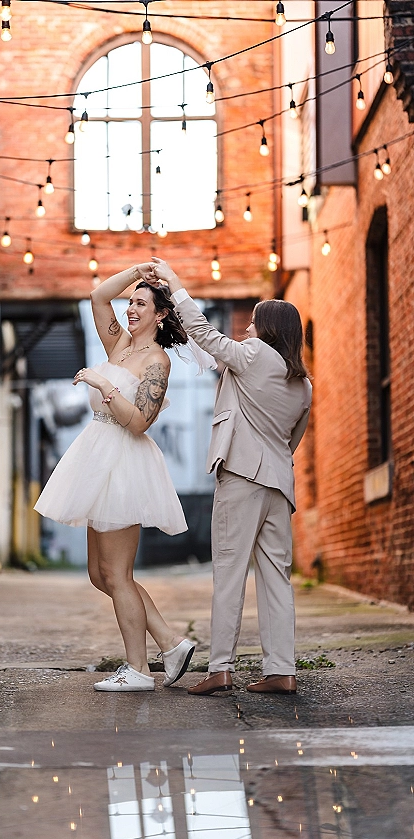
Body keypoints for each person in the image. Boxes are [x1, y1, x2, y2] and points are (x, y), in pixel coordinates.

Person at [150, 257, 312, 695]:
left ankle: (219, 668)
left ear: (269, 330)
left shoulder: (255, 356)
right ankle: (282, 670)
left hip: (241, 478)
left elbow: (205, 334)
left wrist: (176, 282)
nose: (246, 331)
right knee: (277, 576)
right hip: (280, 485)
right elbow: (291, 440)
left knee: (229, 571)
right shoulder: (304, 385)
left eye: (253, 325)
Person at [35, 263, 196, 692]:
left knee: (117, 574)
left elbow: (140, 421)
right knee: (98, 573)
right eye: (132, 302)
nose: (131, 309)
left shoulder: (156, 361)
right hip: (97, 459)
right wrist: (136, 272)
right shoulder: (120, 346)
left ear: (161, 315)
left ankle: (140, 669)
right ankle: (169, 641)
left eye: (141, 303)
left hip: (124, 463)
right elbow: (98, 296)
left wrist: (102, 384)